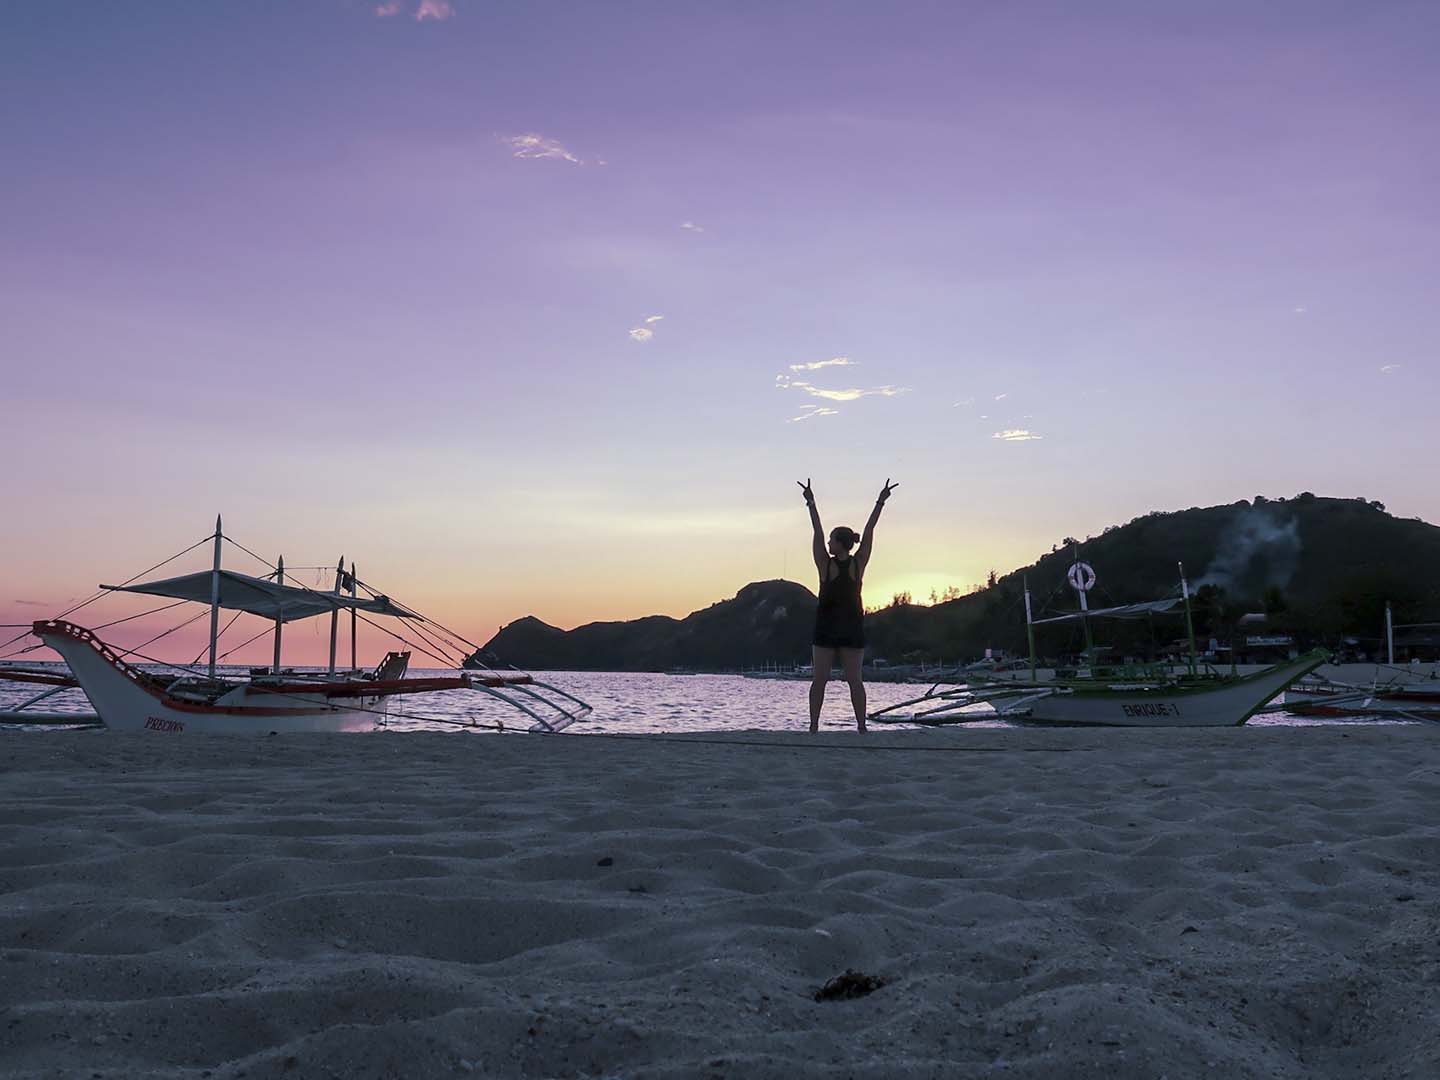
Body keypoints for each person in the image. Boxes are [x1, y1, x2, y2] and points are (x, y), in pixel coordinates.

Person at [797, 478, 898, 732]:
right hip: (827, 630)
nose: (828, 544)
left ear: (841, 543)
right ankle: (813, 726)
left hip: (850, 630)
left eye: (832, 541)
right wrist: (811, 503)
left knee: (854, 680)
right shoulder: (826, 564)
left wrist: (880, 502)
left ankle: (861, 726)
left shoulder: (856, 563)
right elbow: (817, 533)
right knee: (820, 680)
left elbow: (870, 530)